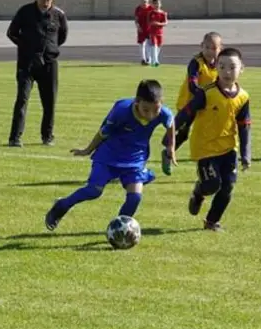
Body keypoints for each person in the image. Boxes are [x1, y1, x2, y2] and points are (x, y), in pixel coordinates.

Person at [44, 80, 176, 231]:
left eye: (156, 110)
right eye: (146, 110)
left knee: (135, 197)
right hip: (108, 156)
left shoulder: (163, 113)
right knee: (94, 191)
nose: (151, 115)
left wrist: (171, 147)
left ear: (161, 103)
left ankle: (120, 230)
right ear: (137, 102)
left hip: (135, 160)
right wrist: (88, 150)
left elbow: (170, 123)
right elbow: (103, 132)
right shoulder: (122, 111)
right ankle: (61, 205)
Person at [173, 47, 251, 232]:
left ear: (242, 69)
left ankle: (211, 222)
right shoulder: (206, 93)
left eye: (232, 67)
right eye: (222, 66)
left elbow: (244, 126)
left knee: (227, 188)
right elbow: (186, 113)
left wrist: (246, 154)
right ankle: (199, 192)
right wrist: (172, 132)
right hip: (205, 148)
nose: (227, 72)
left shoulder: (243, 97)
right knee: (211, 185)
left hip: (229, 148)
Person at [6, 0, 69, 147]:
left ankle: (47, 137)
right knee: (22, 100)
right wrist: (26, 47)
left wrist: (50, 50)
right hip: (27, 64)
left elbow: (61, 37)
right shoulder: (25, 12)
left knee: (49, 102)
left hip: (49, 64)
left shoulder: (59, 15)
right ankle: (15, 138)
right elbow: (11, 33)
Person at [161, 32, 222, 175]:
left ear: (220, 49)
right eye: (207, 47)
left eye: (214, 48)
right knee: (183, 134)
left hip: (208, 105)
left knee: (210, 133)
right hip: (189, 103)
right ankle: (168, 153)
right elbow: (192, 84)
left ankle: (210, 164)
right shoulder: (196, 63)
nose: (210, 51)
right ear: (201, 46)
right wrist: (201, 93)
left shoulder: (220, 64)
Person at [147, 0, 168, 66]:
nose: (157, 5)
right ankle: (155, 61)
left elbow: (165, 23)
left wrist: (159, 24)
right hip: (153, 32)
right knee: (154, 45)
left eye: (158, 3)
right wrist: (152, 23)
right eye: (155, 3)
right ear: (153, 4)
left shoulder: (163, 13)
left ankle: (154, 58)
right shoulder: (151, 13)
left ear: (160, 4)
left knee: (159, 45)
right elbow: (149, 22)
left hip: (160, 33)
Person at [134, 0, 153, 66]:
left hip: (149, 29)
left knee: (149, 44)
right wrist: (138, 27)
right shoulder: (138, 9)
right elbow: (136, 19)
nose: (144, 0)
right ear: (140, 0)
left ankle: (149, 58)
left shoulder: (151, 8)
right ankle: (143, 59)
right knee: (142, 44)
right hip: (141, 29)